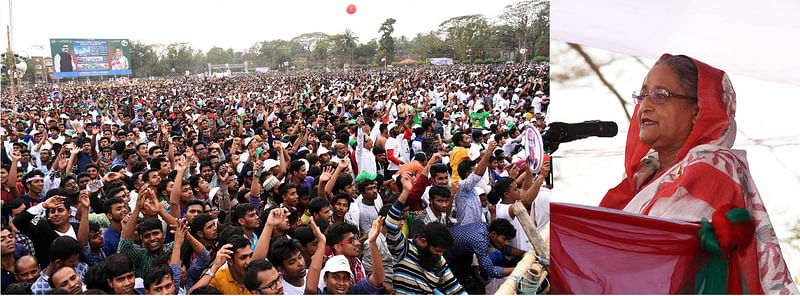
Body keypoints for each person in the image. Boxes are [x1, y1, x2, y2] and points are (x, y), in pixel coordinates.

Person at [600, 54, 798, 294]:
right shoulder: (644, 175)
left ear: (698, 112)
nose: (645, 106)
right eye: (642, 95)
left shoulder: (712, 166)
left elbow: (657, 261)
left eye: (660, 95)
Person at [385, 172, 465, 295]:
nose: (440, 254)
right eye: (438, 250)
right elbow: (391, 224)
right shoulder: (404, 249)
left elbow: (455, 289)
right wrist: (405, 192)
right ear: (423, 241)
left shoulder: (439, 260)